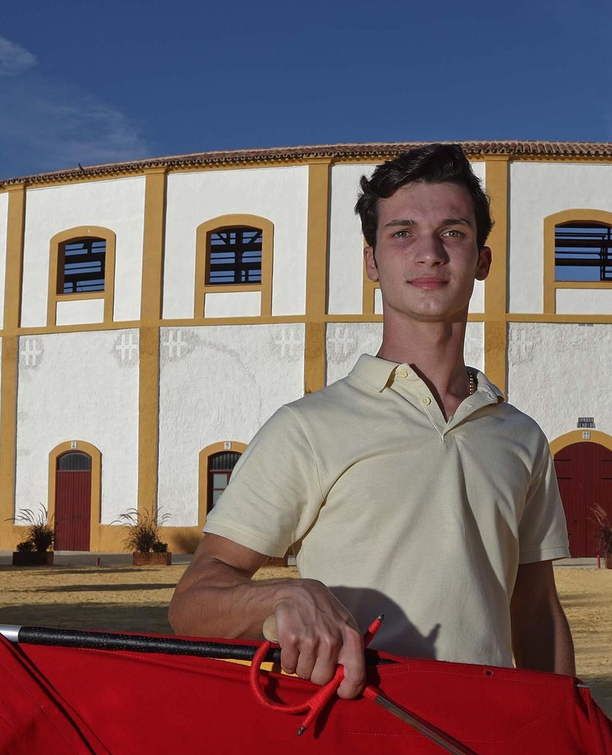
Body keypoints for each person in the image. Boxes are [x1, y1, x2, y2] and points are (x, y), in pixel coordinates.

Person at [168, 143, 574, 698]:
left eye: (453, 232)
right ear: (371, 263)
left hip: (485, 744)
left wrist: (559, 736)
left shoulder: (521, 437)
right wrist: (280, 598)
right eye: (402, 232)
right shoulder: (308, 427)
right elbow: (193, 602)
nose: (429, 253)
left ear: (481, 261)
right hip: (359, 735)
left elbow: (536, 612)